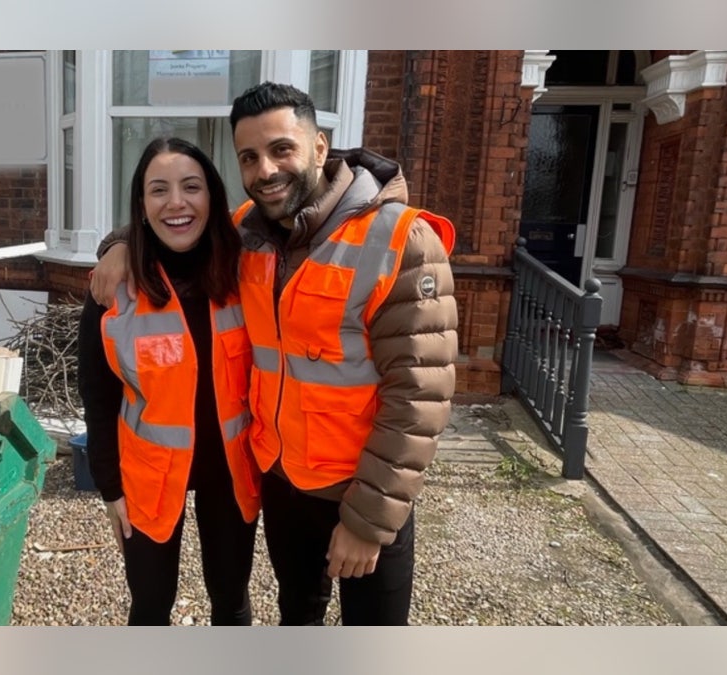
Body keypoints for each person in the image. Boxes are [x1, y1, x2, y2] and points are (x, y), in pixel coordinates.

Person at [89, 82, 458, 626]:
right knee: (297, 621)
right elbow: (176, 224)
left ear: (319, 147)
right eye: (249, 157)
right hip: (285, 485)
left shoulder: (400, 239)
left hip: (361, 488)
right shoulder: (249, 236)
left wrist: (367, 520)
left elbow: (419, 396)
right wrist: (118, 246)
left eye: (281, 149)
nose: (266, 170)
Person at [77, 136, 261, 626]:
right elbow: (96, 396)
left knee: (231, 598)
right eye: (159, 190)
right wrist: (110, 488)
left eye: (191, 187)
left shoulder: (248, 270)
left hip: (231, 468)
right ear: (141, 205)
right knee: (152, 604)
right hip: (148, 474)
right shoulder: (113, 288)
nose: (176, 202)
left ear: (213, 197)